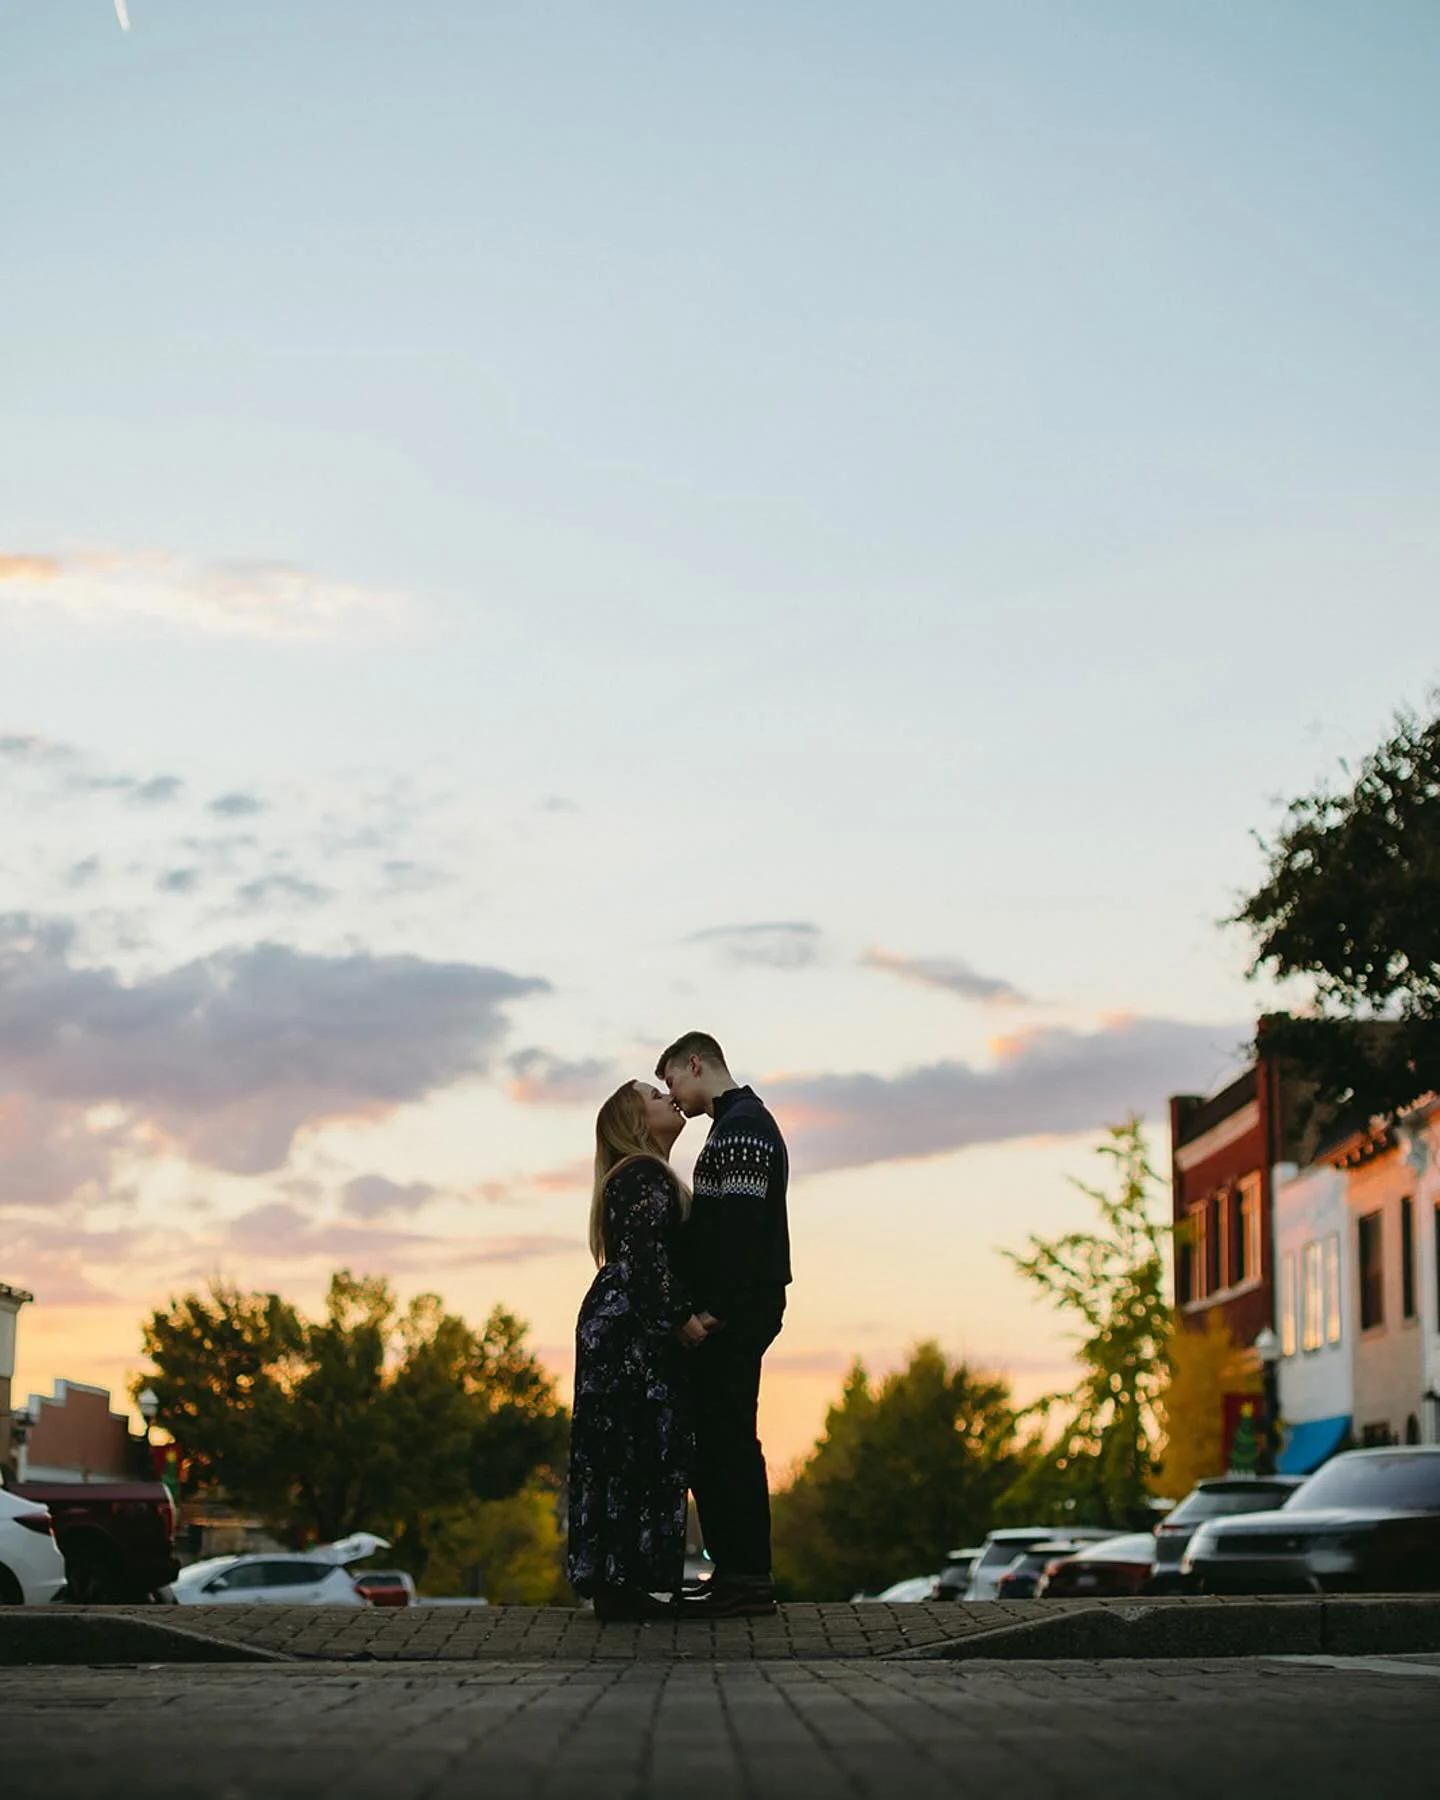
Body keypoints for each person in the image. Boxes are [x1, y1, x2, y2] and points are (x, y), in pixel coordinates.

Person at [565, 1079, 712, 1622]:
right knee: (637, 1443)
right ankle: (623, 1584)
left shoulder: (632, 1178)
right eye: (654, 1096)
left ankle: (618, 1583)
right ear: (635, 1124)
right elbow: (647, 1258)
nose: (666, 1100)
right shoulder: (644, 1176)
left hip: (619, 1329)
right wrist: (683, 1321)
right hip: (632, 1335)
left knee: (620, 1447)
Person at [656, 1031, 791, 1618]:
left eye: (671, 1083)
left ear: (695, 1064)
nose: (673, 1097)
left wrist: (714, 1311)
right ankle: (737, 1572)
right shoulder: (740, 1123)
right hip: (744, 1308)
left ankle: (746, 1577)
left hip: (737, 1314)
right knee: (724, 1436)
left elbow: (737, 1233)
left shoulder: (741, 1129)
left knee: (727, 1440)